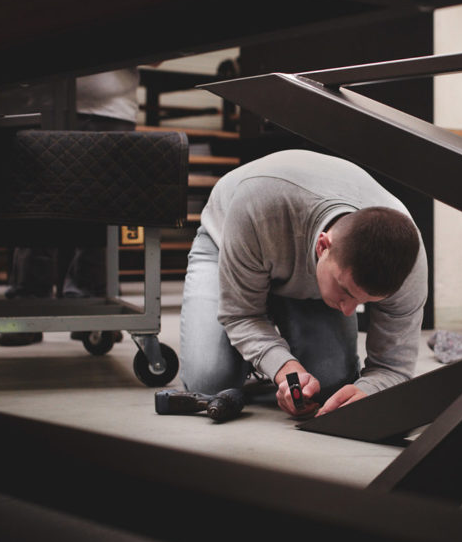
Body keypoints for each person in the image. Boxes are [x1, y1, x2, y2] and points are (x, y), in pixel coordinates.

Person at [180, 148, 428, 418]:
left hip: (294, 264)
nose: (348, 310)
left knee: (331, 384)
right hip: (227, 240)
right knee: (210, 381)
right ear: (324, 245)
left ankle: (264, 341)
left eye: (364, 302)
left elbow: (394, 367)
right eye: (345, 292)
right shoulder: (261, 205)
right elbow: (242, 314)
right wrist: (282, 367)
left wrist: (368, 391)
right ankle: (245, 353)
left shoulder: (406, 262)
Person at [0, 68, 140, 346]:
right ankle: (26, 306)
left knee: (99, 212)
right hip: (41, 103)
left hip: (109, 109)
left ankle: (93, 309)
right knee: (35, 207)